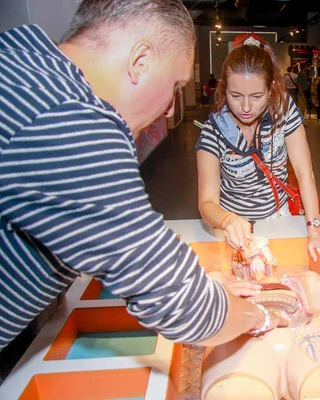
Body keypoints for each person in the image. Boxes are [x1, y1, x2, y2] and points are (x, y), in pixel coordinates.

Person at [0, 0, 287, 353]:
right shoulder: (68, 121)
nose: (169, 108)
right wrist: (258, 316)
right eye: (175, 85)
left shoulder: (22, 63)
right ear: (140, 62)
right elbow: (179, 302)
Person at [195, 34, 320, 262]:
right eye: (235, 96)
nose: (246, 107)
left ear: (271, 89)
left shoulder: (283, 110)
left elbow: (305, 173)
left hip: (278, 217)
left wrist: (314, 230)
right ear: (224, 89)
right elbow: (207, 202)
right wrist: (228, 220)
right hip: (231, 226)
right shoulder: (213, 130)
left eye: (256, 96)